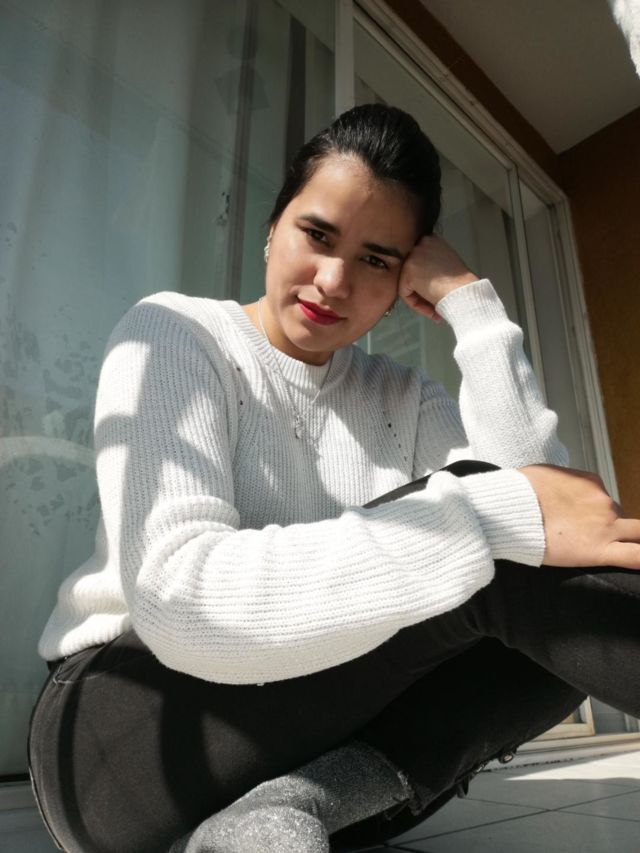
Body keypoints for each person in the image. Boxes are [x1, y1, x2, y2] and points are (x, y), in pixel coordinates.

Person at [29, 104, 640, 853]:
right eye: (317, 235)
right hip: (121, 733)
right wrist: (486, 517)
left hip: (299, 742)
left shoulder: (403, 398)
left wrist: (472, 308)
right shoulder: (178, 334)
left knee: (553, 594)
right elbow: (177, 601)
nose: (333, 280)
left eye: (376, 260)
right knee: (484, 529)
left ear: (402, 282)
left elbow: (545, 521)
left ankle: (288, 811)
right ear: (273, 228)